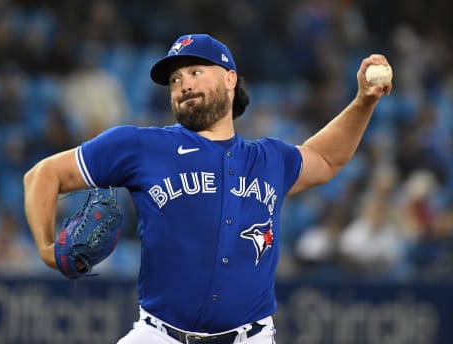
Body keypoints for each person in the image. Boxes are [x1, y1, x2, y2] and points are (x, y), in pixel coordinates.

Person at [23, 34, 392, 344]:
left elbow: (326, 159)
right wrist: (45, 249)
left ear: (230, 79)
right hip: (158, 336)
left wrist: (364, 101)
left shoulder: (268, 159)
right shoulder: (139, 146)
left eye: (195, 72)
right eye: (175, 80)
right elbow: (42, 175)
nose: (183, 84)